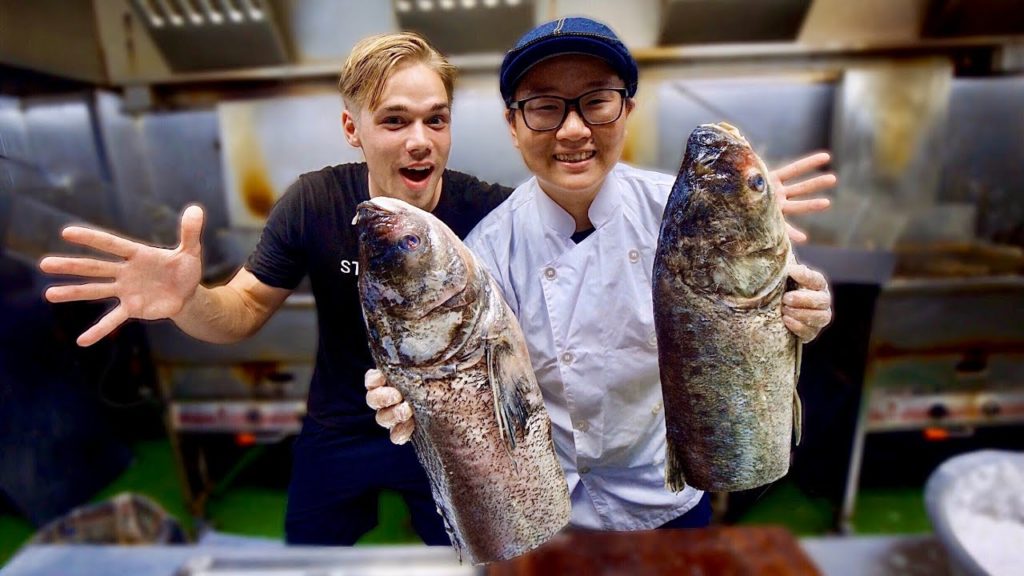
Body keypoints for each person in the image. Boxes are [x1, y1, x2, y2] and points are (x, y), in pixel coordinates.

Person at [38, 32, 512, 546]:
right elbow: (243, 307)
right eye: (395, 120)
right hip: (342, 423)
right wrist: (188, 300)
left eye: (435, 119)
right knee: (306, 554)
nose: (420, 139)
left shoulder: (488, 213)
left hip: (451, 431)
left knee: (472, 555)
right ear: (353, 128)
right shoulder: (316, 202)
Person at [366, 17, 834, 532]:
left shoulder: (685, 212)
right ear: (513, 126)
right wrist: (419, 396)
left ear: (626, 110)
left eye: (597, 101)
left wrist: (799, 310)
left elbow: (762, 311)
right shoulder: (487, 252)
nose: (573, 130)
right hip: (551, 505)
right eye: (545, 107)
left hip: (668, 491)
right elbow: (477, 379)